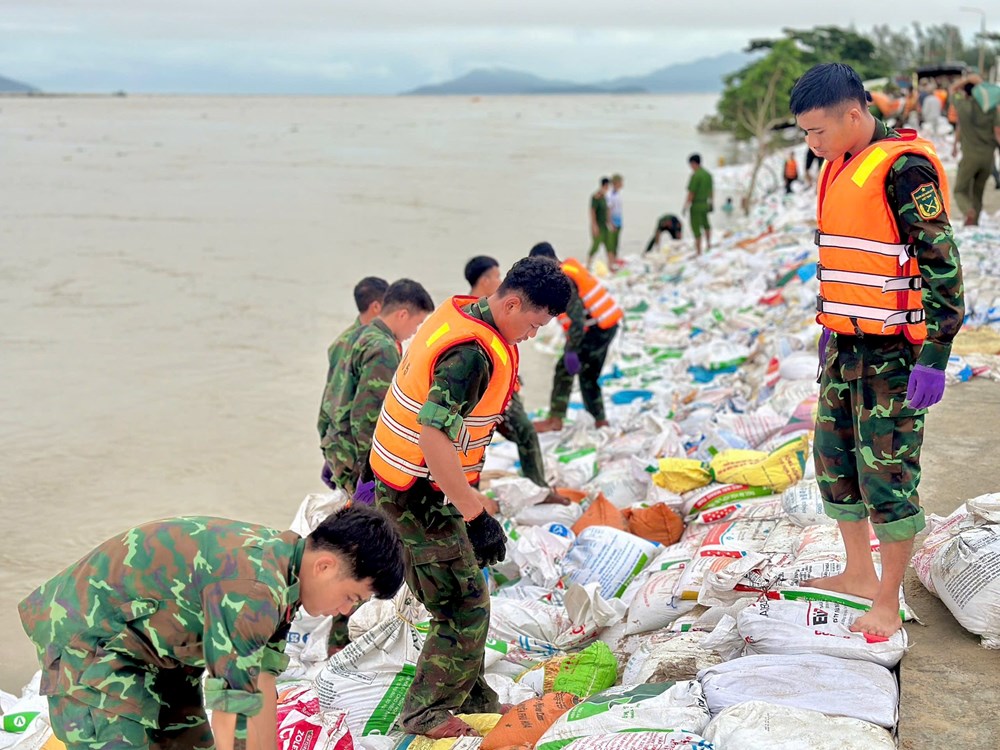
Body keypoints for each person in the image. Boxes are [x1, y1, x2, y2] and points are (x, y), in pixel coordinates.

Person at [791, 62, 964, 638]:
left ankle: (887, 600)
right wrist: (831, 328)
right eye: (805, 134)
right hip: (846, 344)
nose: (811, 145)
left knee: (887, 474)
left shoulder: (905, 171)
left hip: (895, 356)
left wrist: (937, 351)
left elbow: (943, 265)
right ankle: (858, 572)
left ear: (854, 114)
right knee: (834, 462)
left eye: (817, 132)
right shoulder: (841, 163)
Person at [368, 257, 572, 739]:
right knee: (463, 602)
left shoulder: (467, 314)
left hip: (401, 482)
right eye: (534, 324)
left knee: (454, 592)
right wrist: (476, 515)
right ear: (514, 302)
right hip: (417, 491)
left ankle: (470, 694)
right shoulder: (472, 356)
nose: (532, 335)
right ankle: (425, 713)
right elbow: (432, 438)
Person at [19, 505, 404, 750]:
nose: (343, 611)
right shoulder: (254, 589)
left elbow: (260, 685)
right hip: (93, 643)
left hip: (160, 653)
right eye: (351, 597)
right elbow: (232, 707)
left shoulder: (286, 577)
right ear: (325, 566)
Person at [323, 279, 434, 501]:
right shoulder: (383, 348)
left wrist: (329, 446)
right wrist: (369, 474)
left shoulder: (357, 334)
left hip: (337, 447)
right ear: (402, 314)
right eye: (417, 323)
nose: (414, 332)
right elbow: (368, 417)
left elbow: (332, 396)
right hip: (354, 457)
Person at [466, 255, 550, 490]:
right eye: (496, 275)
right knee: (523, 432)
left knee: (477, 443)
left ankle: (536, 488)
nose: (500, 280)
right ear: (484, 280)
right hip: (491, 391)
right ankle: (538, 488)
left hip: (504, 387)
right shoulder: (483, 312)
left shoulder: (485, 308)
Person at [530, 242, 622, 433]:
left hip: (595, 330)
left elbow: (578, 320)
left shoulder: (563, 280)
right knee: (589, 376)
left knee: (565, 369)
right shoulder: (568, 268)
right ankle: (600, 422)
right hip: (605, 326)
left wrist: (571, 351)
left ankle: (555, 420)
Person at [318, 276, 388, 488]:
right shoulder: (370, 344)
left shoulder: (344, 340)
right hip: (348, 447)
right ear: (376, 306)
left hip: (336, 440)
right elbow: (349, 403)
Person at [950, 73, 1000, 226]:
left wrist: (967, 79)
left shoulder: (962, 105)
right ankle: (974, 223)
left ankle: (968, 211)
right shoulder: (992, 109)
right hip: (987, 158)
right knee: (978, 193)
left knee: (959, 190)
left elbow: (952, 90)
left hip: (970, 157)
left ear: (965, 92)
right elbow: (998, 133)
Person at [683, 154, 713, 255]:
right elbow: (711, 191)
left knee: (696, 228)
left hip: (696, 205)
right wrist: (711, 203)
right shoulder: (708, 175)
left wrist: (686, 206)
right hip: (705, 204)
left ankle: (698, 251)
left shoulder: (695, 176)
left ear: (693, 163)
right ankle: (709, 244)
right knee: (706, 225)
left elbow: (691, 193)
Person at [587, 177, 612, 267]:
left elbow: (607, 211)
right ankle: (589, 264)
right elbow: (592, 211)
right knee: (595, 246)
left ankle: (611, 265)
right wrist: (594, 226)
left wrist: (610, 223)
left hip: (605, 226)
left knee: (609, 245)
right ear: (604, 185)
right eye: (608, 186)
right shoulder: (596, 197)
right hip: (598, 225)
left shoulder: (605, 197)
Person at [605, 174, 624, 265]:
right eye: (621, 182)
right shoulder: (610, 195)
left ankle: (614, 262)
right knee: (611, 245)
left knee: (616, 243)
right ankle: (610, 263)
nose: (622, 184)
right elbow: (608, 209)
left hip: (619, 221)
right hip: (613, 222)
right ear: (616, 183)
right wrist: (610, 223)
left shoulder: (618, 194)